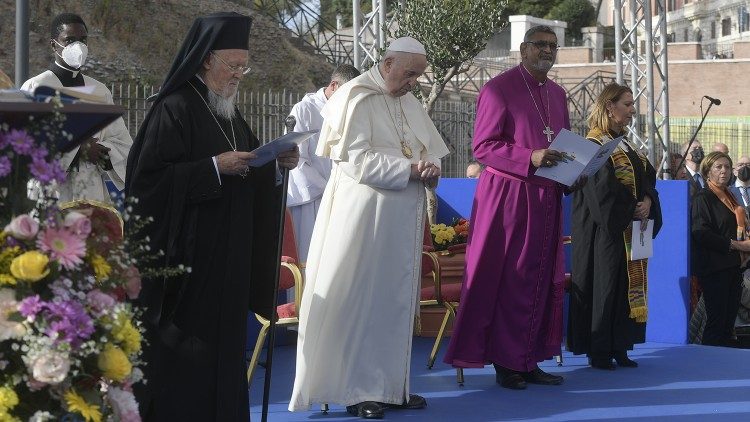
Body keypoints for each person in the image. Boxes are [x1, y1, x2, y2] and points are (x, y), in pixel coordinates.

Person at [124, 12, 299, 421]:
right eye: (232, 66)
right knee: (187, 362)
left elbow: (253, 166)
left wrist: (278, 163)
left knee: (225, 355)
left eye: (244, 66)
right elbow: (146, 185)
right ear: (206, 60)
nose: (239, 75)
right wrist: (213, 168)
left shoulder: (229, 113)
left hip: (228, 260)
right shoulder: (173, 108)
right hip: (187, 264)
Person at [289, 37, 449, 419]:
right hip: (363, 217)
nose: (414, 82)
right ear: (389, 63)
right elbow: (356, 162)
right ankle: (359, 390)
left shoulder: (408, 100)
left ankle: (392, 388)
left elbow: (428, 151)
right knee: (361, 301)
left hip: (400, 220)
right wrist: (411, 170)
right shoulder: (355, 96)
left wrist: (430, 170)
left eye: (418, 76)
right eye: (409, 74)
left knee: (394, 303)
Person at [443, 25, 579, 390]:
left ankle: (529, 358)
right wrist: (530, 156)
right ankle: (506, 362)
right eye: (540, 45)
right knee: (512, 278)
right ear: (523, 49)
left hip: (546, 197)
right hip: (509, 197)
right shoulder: (497, 89)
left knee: (540, 277)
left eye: (553, 46)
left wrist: (575, 169)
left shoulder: (557, 93)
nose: (547, 50)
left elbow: (560, 145)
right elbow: (483, 147)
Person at [566, 83, 663, 369]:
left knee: (625, 286)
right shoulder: (594, 144)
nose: (633, 110)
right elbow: (602, 190)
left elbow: (647, 178)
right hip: (603, 231)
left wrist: (647, 199)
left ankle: (620, 344)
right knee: (605, 286)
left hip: (628, 226)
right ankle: (599, 349)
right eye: (627, 104)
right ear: (610, 107)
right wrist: (632, 206)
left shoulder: (626, 144)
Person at [22, 13, 132, 203]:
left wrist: (102, 151)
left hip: (92, 191)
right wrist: (78, 150)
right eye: (70, 40)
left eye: (83, 40)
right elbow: (25, 145)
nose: (78, 46)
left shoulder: (100, 91)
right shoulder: (36, 88)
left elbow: (123, 143)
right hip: (51, 194)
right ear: (54, 45)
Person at [287, 64, 360, 263]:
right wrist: (328, 189)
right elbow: (297, 159)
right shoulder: (304, 109)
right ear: (334, 85)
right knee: (308, 258)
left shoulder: (348, 112)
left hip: (340, 197)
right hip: (310, 199)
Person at [691, 151, 750, 347]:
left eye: (727, 166)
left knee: (727, 324)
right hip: (715, 267)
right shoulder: (704, 197)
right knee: (716, 323)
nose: (724, 171)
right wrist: (736, 245)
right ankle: (710, 365)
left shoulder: (730, 196)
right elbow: (701, 233)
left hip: (734, 266)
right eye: (718, 167)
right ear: (707, 172)